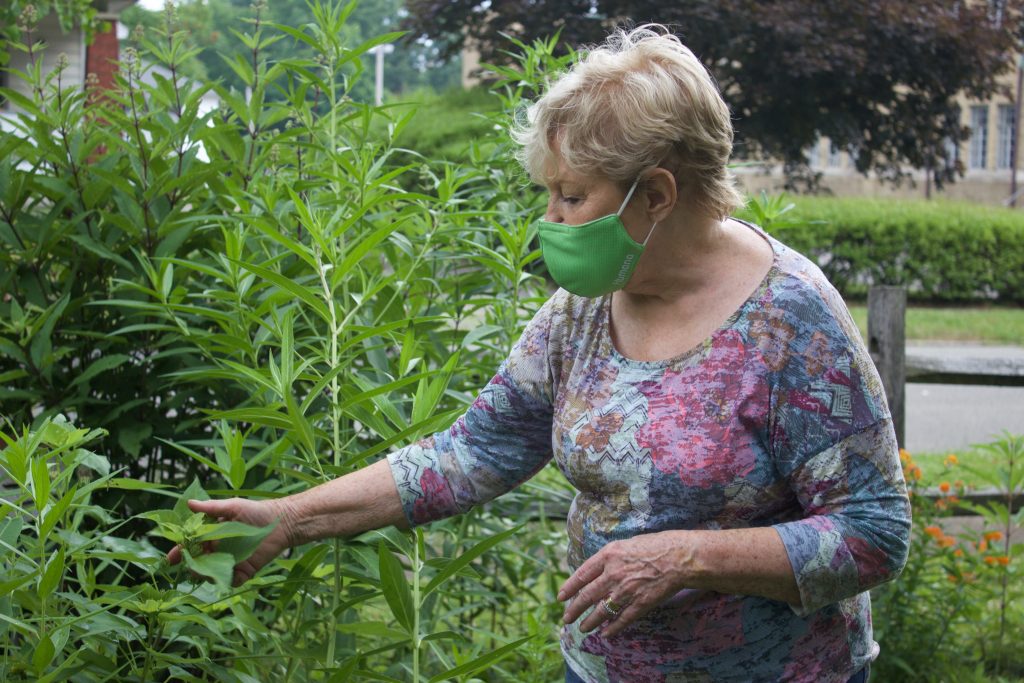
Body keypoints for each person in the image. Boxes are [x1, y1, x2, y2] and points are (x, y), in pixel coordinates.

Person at [169, 25, 911, 683]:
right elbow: (467, 453)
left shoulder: (791, 319)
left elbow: (874, 532)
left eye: (570, 196)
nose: (549, 220)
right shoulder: (581, 314)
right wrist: (292, 517)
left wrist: (686, 556)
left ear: (656, 193)